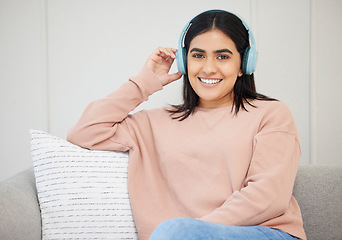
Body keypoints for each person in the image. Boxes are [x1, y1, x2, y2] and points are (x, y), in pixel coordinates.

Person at [67, 10, 307, 240]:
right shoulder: (152, 123)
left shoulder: (270, 114)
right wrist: (145, 81)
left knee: (178, 232)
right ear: (183, 61)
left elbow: (268, 197)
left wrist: (191, 231)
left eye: (223, 56)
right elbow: (84, 132)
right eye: (198, 55)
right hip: (178, 236)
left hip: (262, 233)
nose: (208, 68)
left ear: (244, 64)